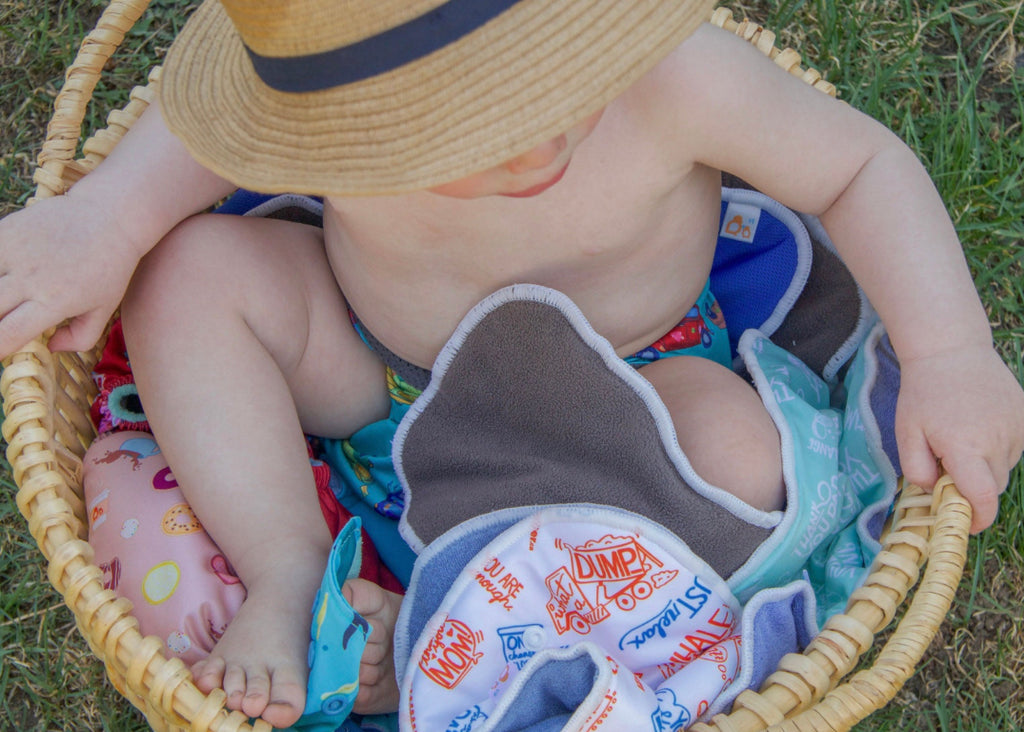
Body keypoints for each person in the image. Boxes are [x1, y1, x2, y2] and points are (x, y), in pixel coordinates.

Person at [1, 0, 1022, 727]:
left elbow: (859, 164)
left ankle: (452, 636)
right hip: (381, 378)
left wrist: (946, 352)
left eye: (549, 78)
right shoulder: (321, 99)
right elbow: (196, 137)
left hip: (624, 408)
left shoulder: (676, 75)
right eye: (460, 128)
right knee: (185, 273)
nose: (533, 141)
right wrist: (102, 218)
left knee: (738, 458)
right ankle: (293, 573)